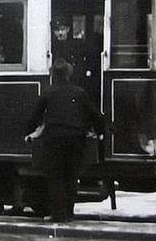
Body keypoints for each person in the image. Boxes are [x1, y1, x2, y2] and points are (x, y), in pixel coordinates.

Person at [24, 58, 105, 222]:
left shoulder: (48, 92)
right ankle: (69, 213)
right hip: (76, 138)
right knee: (71, 176)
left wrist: (28, 132)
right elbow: (94, 114)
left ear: (53, 75)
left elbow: (35, 115)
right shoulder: (79, 92)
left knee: (56, 178)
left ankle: (58, 215)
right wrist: (100, 132)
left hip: (54, 139)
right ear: (69, 74)